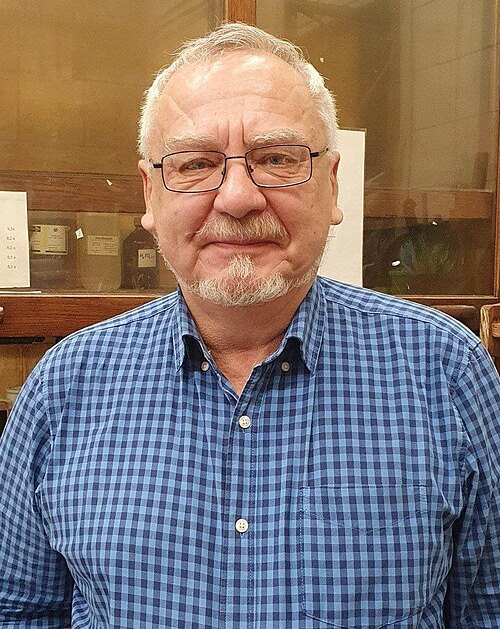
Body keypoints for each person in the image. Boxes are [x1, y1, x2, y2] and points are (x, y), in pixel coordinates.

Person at [0, 22, 499, 629]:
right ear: (150, 196)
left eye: (276, 159)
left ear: (333, 185)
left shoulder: (446, 372)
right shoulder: (64, 388)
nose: (238, 197)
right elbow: (20, 611)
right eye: (195, 164)